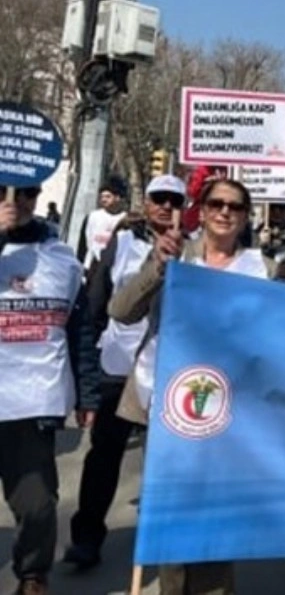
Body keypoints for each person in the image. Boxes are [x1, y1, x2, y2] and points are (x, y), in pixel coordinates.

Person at [110, 177, 278, 595]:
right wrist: (157, 266)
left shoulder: (267, 270)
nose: (224, 212)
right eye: (216, 204)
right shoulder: (175, 255)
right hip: (167, 404)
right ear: (201, 212)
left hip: (231, 413)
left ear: (246, 217)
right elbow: (121, 311)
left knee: (216, 516)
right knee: (171, 514)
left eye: (234, 206)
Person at [64, 175, 187, 571]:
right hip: (118, 368)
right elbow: (96, 302)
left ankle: (161, 542)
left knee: (165, 462)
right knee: (104, 454)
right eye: (159, 198)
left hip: (169, 371)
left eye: (174, 200)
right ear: (146, 203)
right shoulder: (122, 241)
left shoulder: (195, 249)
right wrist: (89, 365)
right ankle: (86, 538)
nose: (166, 206)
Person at [0, 182, 97, 595]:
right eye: (6, 192)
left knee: (38, 505)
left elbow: (80, 329)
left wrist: (88, 392)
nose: (17, 201)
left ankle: (32, 576)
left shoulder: (60, 258)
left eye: (29, 192)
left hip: (31, 402)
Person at [78, 178, 127, 269]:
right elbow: (83, 244)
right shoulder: (93, 217)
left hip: (115, 266)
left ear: (117, 198)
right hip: (92, 266)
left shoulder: (125, 218)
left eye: (108, 197)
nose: (104, 200)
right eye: (102, 197)